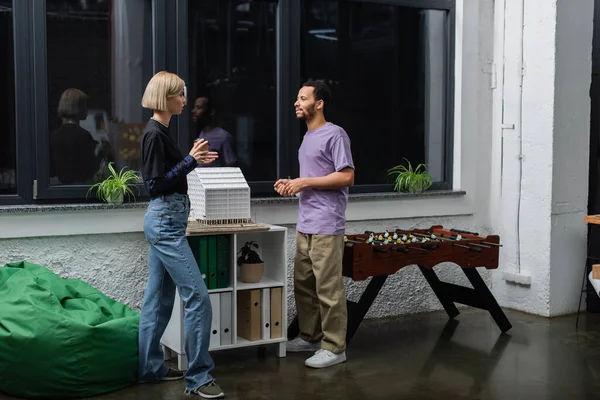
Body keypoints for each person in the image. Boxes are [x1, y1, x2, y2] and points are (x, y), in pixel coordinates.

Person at [137, 71, 224, 399]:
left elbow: (168, 177)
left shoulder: (160, 132)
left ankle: (151, 369)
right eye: (180, 95)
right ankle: (199, 378)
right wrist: (190, 160)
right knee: (198, 298)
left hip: (166, 224)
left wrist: (192, 160)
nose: (185, 101)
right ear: (166, 98)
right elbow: (155, 186)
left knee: (158, 301)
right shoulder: (154, 134)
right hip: (165, 225)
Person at [274, 80, 355, 369]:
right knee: (304, 285)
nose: (297, 102)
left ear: (318, 103)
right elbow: (311, 179)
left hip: (326, 224)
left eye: (303, 98)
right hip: (305, 222)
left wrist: (304, 181)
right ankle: (310, 337)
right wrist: (292, 184)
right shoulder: (307, 137)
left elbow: (346, 176)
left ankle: (335, 347)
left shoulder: (335, 134)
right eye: (297, 98)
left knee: (328, 289)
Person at [49, 88, 111, 184]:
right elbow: (89, 171)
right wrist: (102, 153)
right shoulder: (83, 136)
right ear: (78, 107)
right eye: (84, 105)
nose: (86, 109)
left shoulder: (54, 135)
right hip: (78, 191)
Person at [191, 95, 237, 167]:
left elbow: (231, 165)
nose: (193, 111)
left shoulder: (223, 136)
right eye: (194, 107)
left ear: (211, 111)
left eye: (199, 107)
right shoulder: (201, 133)